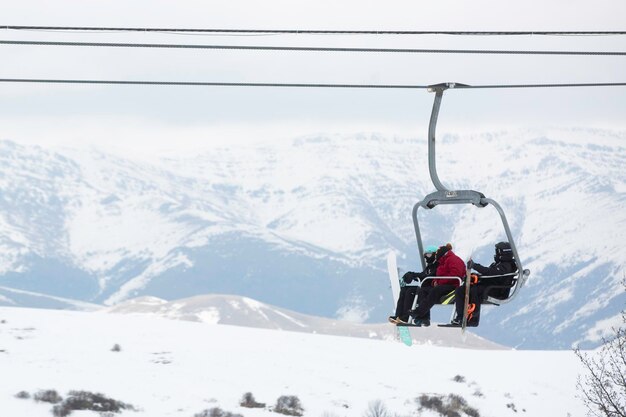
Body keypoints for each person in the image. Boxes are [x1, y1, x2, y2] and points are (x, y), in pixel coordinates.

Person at [451, 241, 518, 326]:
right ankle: (460, 317)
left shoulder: (506, 265)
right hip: (489, 286)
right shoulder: (498, 264)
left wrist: (475, 266)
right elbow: (489, 274)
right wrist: (475, 277)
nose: (495, 253)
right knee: (461, 290)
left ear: (502, 252)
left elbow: (491, 273)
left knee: (474, 290)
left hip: (496, 290)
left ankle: (473, 319)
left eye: (497, 251)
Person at [408, 243, 466, 326]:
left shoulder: (454, 260)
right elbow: (439, 275)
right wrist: (434, 281)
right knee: (423, 290)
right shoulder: (443, 262)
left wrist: (439, 282)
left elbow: (456, 274)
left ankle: (419, 312)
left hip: (454, 285)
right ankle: (424, 317)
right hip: (444, 285)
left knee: (436, 290)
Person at [388, 245, 439, 324]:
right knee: (405, 289)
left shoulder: (437, 265)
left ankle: (406, 317)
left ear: (435, 254)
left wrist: (414, 275)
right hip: (425, 286)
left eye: (429, 255)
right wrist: (412, 275)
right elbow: (423, 274)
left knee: (411, 291)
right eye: (425, 255)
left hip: (431, 288)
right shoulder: (430, 266)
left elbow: (429, 276)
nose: (426, 257)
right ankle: (398, 315)